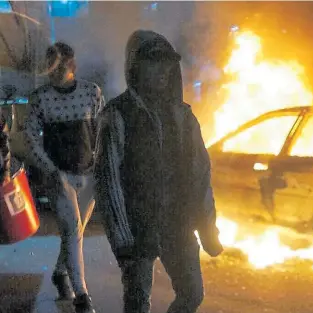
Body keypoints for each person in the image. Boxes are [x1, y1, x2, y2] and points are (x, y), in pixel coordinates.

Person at [94, 30, 223, 313]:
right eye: (154, 61)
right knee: (138, 304)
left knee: (192, 294)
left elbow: (200, 175)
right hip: (138, 227)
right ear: (135, 66)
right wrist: (123, 239)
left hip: (178, 225)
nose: (163, 69)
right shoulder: (118, 115)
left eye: (167, 62)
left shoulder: (184, 116)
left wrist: (208, 228)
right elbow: (108, 180)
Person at [24, 42, 103, 313]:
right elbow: (31, 137)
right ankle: (82, 294)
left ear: (73, 66)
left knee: (75, 232)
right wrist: (50, 170)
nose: (56, 72)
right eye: (52, 67)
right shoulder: (40, 98)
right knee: (72, 229)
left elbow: (100, 131)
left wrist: (100, 163)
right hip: (60, 176)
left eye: (61, 67)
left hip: (88, 174)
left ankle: (61, 272)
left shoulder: (91, 92)